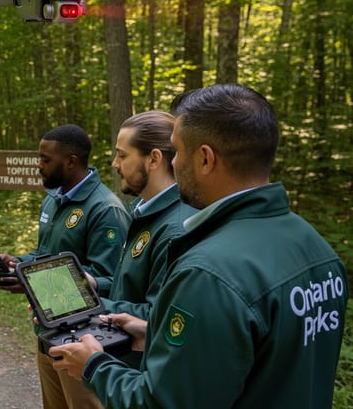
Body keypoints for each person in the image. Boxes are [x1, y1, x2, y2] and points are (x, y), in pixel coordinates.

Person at [49, 84, 347, 409]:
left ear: (205, 159)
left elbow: (162, 403)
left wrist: (94, 366)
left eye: (177, 151)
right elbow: (263, 359)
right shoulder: (318, 249)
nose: (174, 163)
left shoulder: (209, 272)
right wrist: (155, 333)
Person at [0, 124, 130, 409]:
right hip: (48, 333)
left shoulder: (105, 209)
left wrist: (37, 284)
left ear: (70, 161)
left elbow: (112, 281)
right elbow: (45, 254)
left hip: (84, 341)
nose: (39, 165)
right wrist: (18, 264)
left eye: (45, 159)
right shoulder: (53, 199)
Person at [103, 111, 196, 323]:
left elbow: (158, 317)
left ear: (154, 159)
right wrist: (92, 286)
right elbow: (132, 290)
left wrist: (90, 306)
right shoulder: (145, 213)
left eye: (122, 155)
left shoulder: (175, 230)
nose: (115, 164)